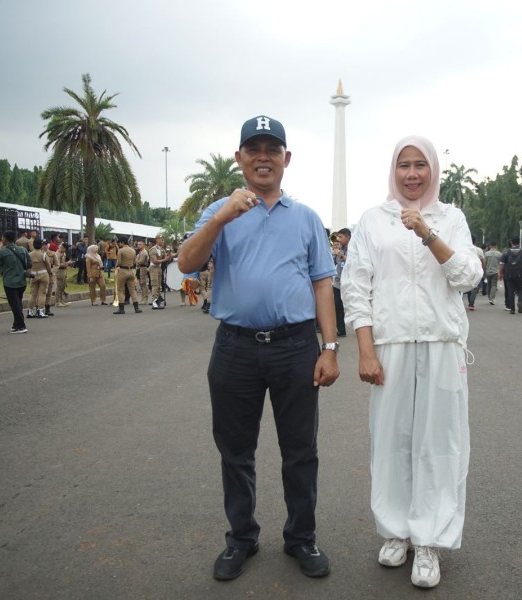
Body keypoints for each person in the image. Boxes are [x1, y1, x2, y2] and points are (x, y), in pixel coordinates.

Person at [178, 115, 339, 582]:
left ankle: (301, 537)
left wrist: (329, 348)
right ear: (240, 158)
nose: (263, 157)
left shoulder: (306, 218)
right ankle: (241, 537)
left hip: (295, 347)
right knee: (235, 450)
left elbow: (323, 285)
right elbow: (188, 264)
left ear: (286, 159)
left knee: (300, 450)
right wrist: (224, 216)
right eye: (254, 149)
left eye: (272, 149)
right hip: (235, 347)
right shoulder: (219, 211)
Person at [341, 135, 480, 589]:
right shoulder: (372, 221)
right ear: (393, 170)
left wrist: (426, 232)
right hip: (392, 346)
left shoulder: (451, 218)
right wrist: (365, 350)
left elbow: (466, 276)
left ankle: (429, 542)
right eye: (404, 164)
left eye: (421, 164)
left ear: (433, 170)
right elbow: (355, 287)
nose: (413, 173)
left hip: (442, 344)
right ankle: (396, 532)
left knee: (439, 445)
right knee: (391, 442)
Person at [0, 230, 31, 333]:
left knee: (14, 304)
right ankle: (16, 324)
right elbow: (29, 264)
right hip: (21, 281)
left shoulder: (2, 252)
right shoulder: (23, 250)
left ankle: (21, 326)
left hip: (9, 282)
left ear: (4, 239)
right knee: (18, 303)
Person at [499, 236, 522, 314]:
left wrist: (500, 274)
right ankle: (520, 301)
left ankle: (512, 309)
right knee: (521, 289)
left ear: (511, 242)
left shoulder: (506, 253)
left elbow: (502, 264)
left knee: (510, 291)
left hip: (509, 274)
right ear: (519, 242)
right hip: (520, 274)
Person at [113, 236, 142, 314]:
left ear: (122, 242)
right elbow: (134, 262)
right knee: (132, 290)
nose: (119, 244)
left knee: (120, 290)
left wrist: (116, 267)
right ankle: (136, 308)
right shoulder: (133, 250)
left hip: (122, 271)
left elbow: (118, 262)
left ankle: (121, 309)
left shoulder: (121, 251)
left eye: (119, 243)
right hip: (130, 271)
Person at [331, 228, 350, 335]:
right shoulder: (339, 248)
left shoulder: (353, 248)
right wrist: (334, 253)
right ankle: (341, 330)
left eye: (341, 237)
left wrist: (341, 255)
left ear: (348, 237)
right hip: (338, 282)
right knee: (337, 305)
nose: (338, 239)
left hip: (349, 281)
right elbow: (334, 263)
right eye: (338, 237)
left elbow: (353, 261)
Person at [27, 238, 52, 319]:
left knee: (33, 293)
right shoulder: (44, 255)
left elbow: (27, 266)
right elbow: (48, 265)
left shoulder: (29, 254)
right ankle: (40, 311)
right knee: (42, 293)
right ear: (41, 245)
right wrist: (50, 273)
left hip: (33, 274)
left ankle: (30, 311)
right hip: (43, 274)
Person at [466, 236, 485, 311]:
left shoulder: (465, 249)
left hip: (467, 270)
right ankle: (471, 303)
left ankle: (469, 303)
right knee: (475, 287)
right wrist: (482, 270)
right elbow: (483, 260)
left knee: (469, 286)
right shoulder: (479, 250)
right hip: (476, 270)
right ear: (475, 241)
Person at [148, 236, 168, 309]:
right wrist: (164, 260)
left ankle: (158, 300)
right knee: (155, 285)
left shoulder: (161, 249)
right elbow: (154, 261)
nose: (163, 241)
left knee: (159, 285)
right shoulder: (153, 250)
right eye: (161, 240)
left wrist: (169, 254)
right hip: (153, 268)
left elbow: (166, 257)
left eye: (163, 240)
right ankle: (154, 302)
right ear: (157, 240)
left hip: (159, 268)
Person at [484, 241, 503, 306]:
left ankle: (489, 297)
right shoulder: (499, 254)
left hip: (488, 271)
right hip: (495, 271)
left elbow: (485, 263)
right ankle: (492, 298)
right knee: (494, 285)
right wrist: (501, 272)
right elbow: (501, 263)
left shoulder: (486, 254)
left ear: (490, 246)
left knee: (489, 285)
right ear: (496, 246)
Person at [55, 242, 72, 307]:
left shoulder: (63, 254)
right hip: (60, 271)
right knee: (59, 287)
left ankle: (61, 300)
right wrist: (67, 263)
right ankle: (57, 302)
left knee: (63, 286)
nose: (65, 251)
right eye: (65, 249)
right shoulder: (57, 254)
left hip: (64, 270)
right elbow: (57, 264)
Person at [135, 240, 151, 305]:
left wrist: (136, 259)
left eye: (140, 244)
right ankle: (143, 297)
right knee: (141, 284)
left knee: (143, 283)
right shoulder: (140, 252)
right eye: (138, 244)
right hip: (140, 268)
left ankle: (145, 298)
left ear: (143, 245)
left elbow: (141, 261)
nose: (138, 246)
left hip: (143, 267)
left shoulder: (144, 252)